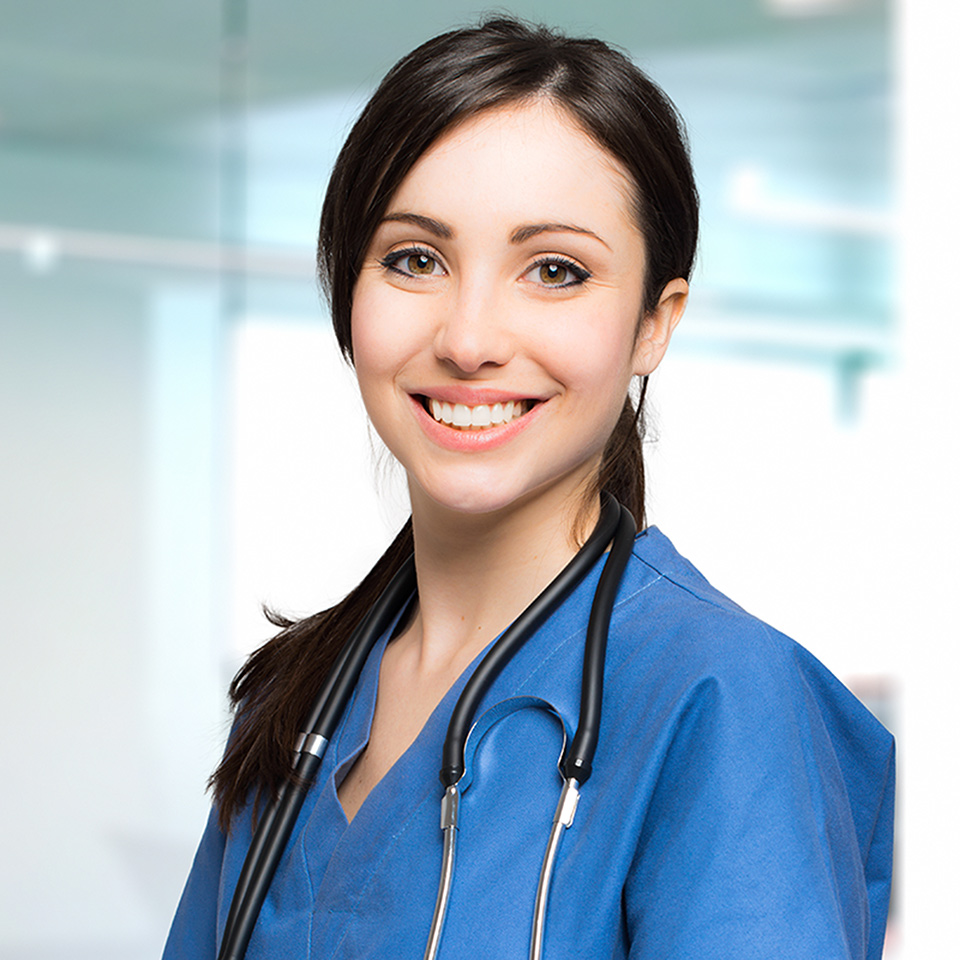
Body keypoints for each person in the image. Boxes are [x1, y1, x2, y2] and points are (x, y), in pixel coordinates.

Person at [163, 17, 894, 960]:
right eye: (414, 260)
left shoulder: (722, 701)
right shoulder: (296, 703)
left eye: (555, 271)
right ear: (348, 290)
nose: (469, 338)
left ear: (652, 325)